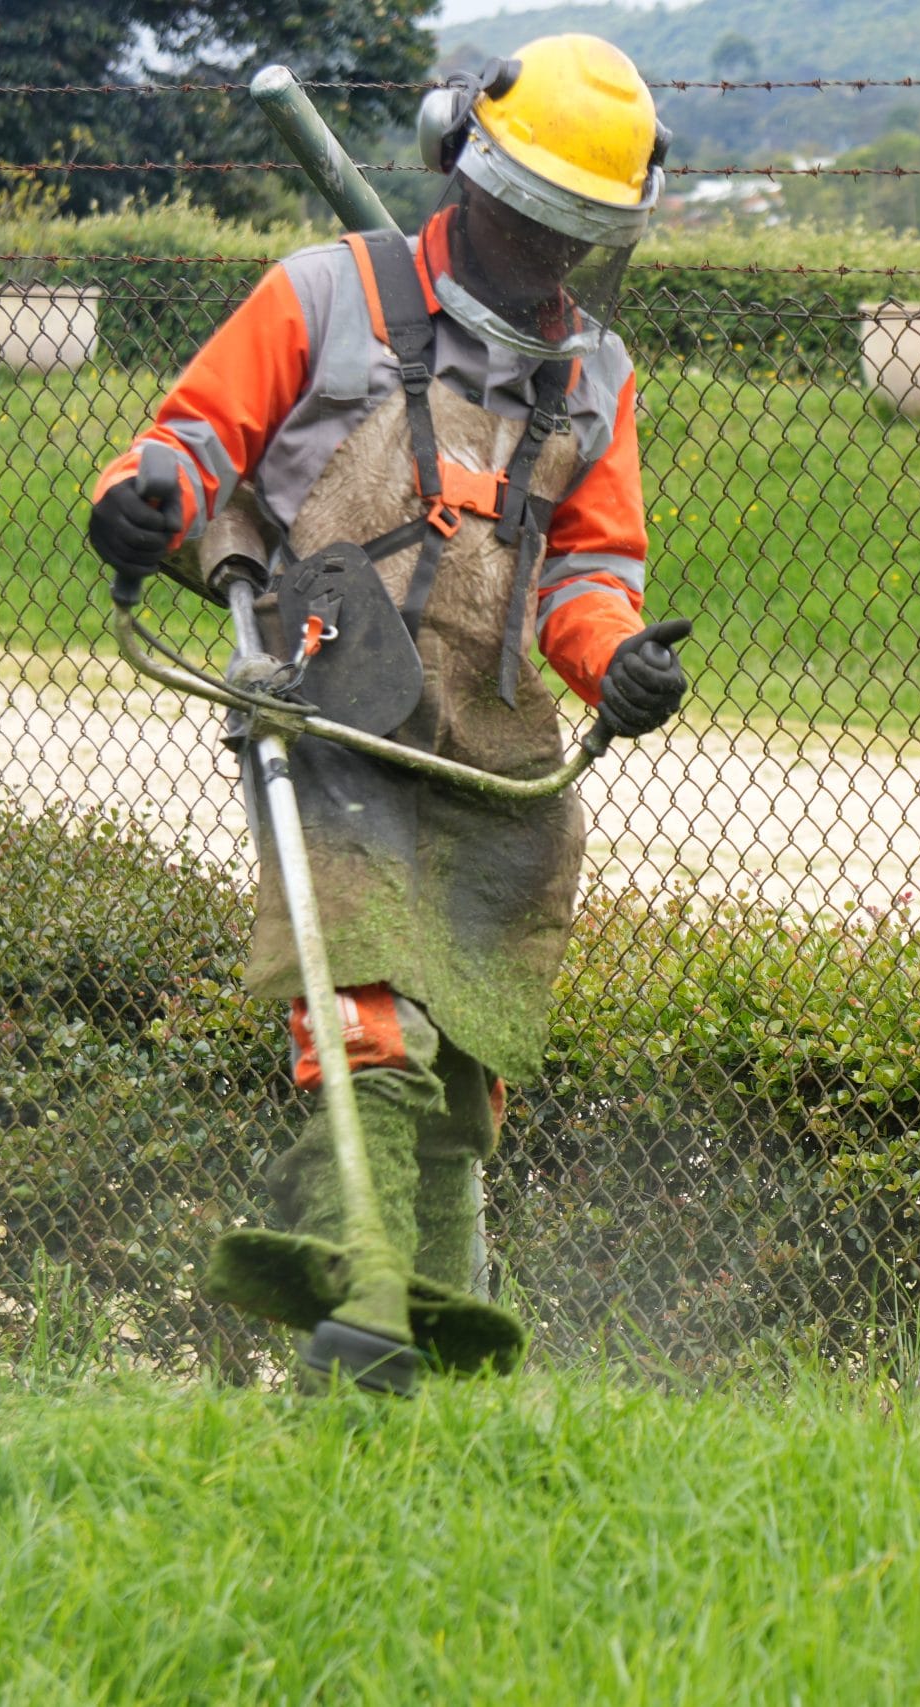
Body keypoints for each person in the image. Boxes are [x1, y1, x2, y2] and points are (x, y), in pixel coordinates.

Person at [84, 34, 687, 1303]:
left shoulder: (597, 377)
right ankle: (355, 1294)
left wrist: (617, 663)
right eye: (531, 218)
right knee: (370, 1019)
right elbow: (190, 442)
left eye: (577, 233)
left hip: (495, 743)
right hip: (332, 705)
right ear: (458, 165)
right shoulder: (325, 296)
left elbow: (587, 576)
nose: (549, 255)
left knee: (465, 1060)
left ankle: (447, 1320)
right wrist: (140, 501)